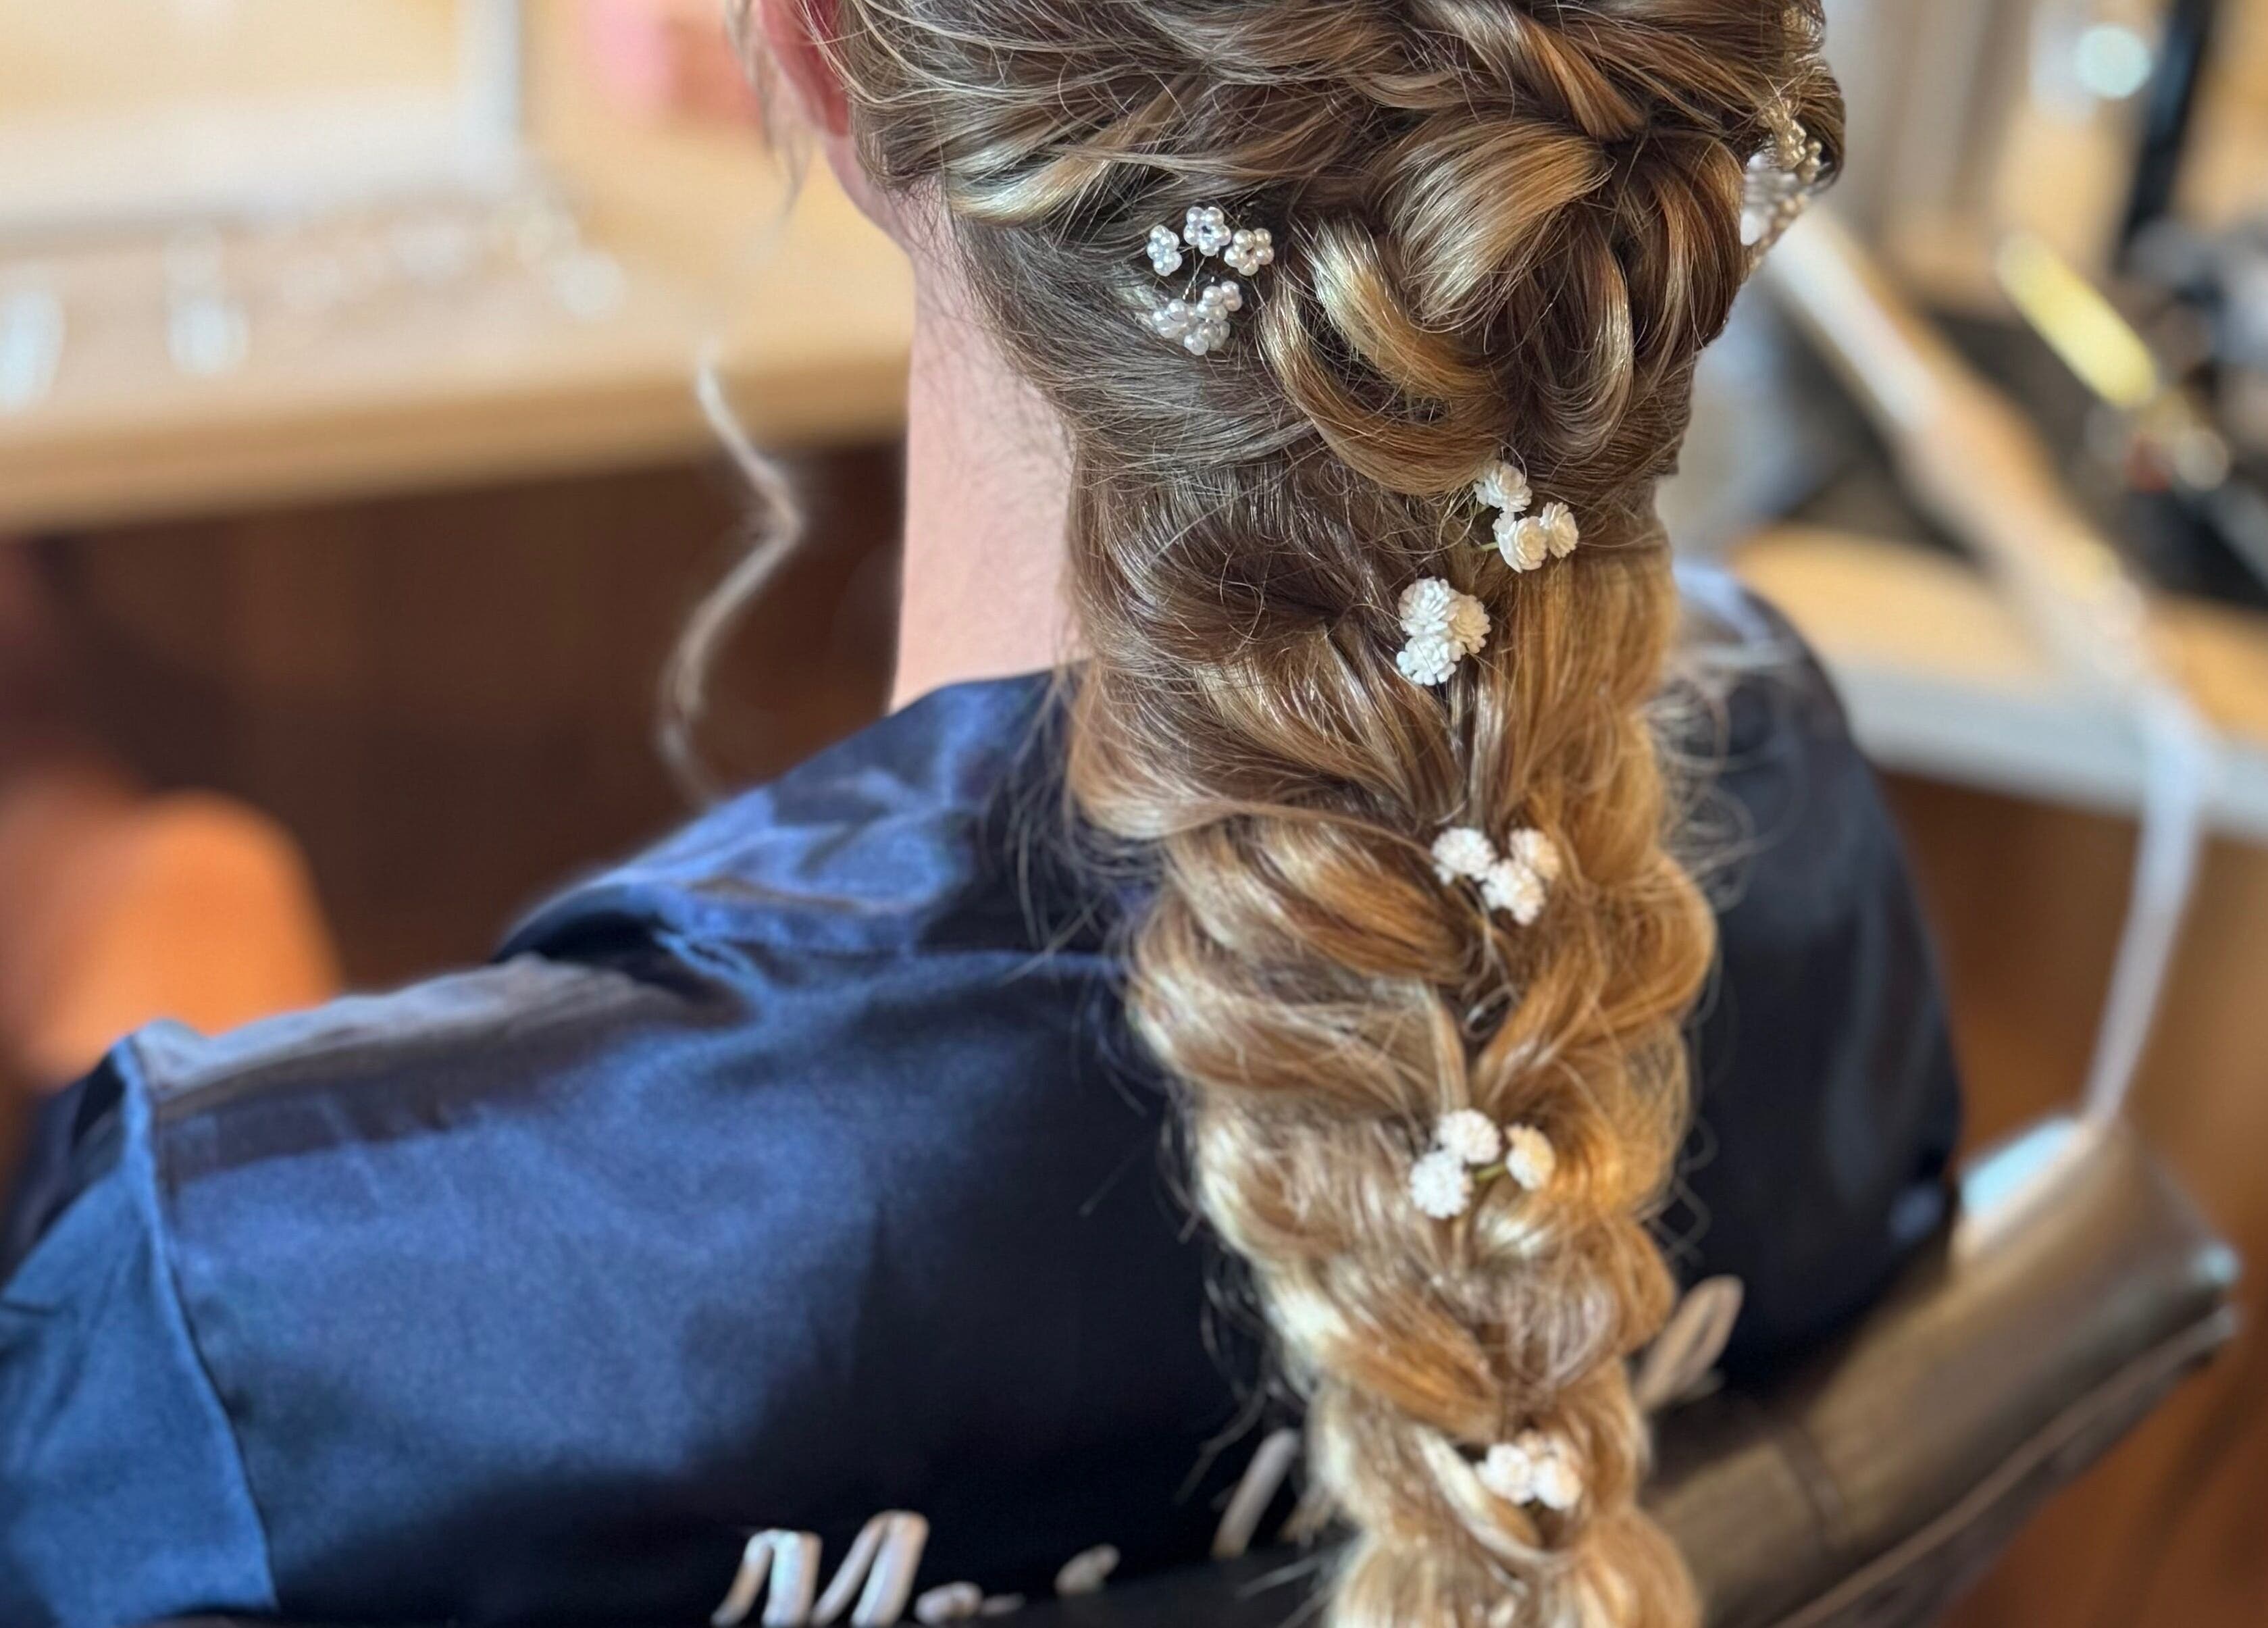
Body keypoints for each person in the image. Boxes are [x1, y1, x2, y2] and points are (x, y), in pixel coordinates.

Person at [0, 3, 1959, 1625]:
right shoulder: (1805, 856)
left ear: (821, 58)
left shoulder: (246, 1302)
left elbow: (332, 1390)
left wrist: (150, 959)